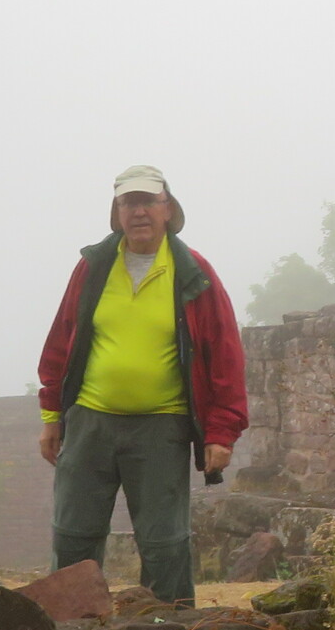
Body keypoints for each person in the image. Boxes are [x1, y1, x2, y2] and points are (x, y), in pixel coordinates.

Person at [36, 165, 247, 605]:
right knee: (73, 536)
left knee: (164, 543)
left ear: (168, 208)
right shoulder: (93, 267)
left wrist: (221, 432)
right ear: (116, 212)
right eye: (128, 203)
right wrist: (52, 416)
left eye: (148, 201)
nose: (139, 212)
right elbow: (61, 340)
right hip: (89, 421)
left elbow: (224, 355)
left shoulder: (192, 272)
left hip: (161, 427)